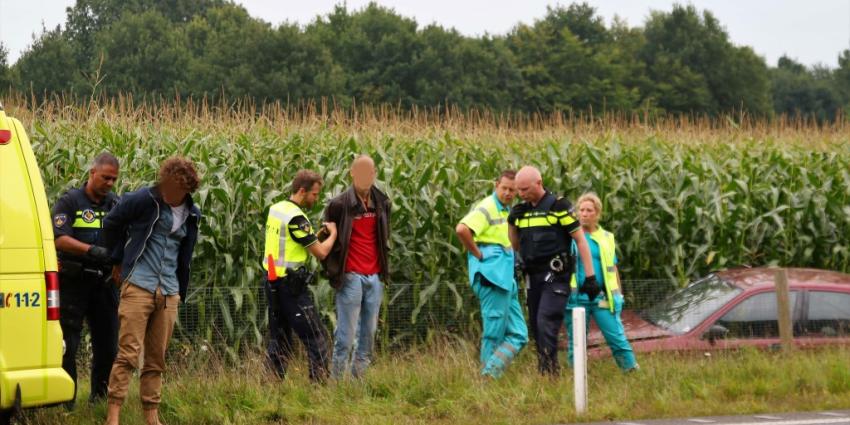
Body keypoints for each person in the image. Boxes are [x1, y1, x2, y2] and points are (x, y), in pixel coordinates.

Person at [101, 157, 202, 425]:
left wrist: (180, 289)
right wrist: (118, 259)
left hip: (169, 290)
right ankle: (113, 416)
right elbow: (111, 224)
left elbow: (185, 254)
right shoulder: (144, 199)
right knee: (128, 354)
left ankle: (152, 416)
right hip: (139, 285)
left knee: (156, 359)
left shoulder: (192, 213)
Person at [508, 166, 597, 376]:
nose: (520, 194)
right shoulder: (522, 210)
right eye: (518, 190)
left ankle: (547, 373)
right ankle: (549, 369)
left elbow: (581, 240)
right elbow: (515, 244)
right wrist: (512, 223)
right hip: (532, 276)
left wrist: (590, 277)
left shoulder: (559, 206)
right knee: (536, 327)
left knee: (546, 320)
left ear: (538, 183)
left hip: (556, 276)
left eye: (525, 189)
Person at [51, 152, 120, 406]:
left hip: (105, 285)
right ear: (92, 173)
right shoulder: (70, 201)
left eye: (114, 179)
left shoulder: (115, 203)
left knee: (108, 346)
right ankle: (66, 402)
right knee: (69, 345)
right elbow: (59, 238)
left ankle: (99, 400)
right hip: (74, 282)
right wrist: (90, 250)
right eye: (105, 177)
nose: (110, 183)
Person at [263, 170, 338, 383]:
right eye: (314, 194)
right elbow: (321, 253)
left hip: (272, 282)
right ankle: (319, 386)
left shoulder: (277, 209)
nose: (316, 199)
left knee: (280, 339)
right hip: (291, 286)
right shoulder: (297, 218)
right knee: (316, 336)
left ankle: (271, 386)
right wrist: (333, 235)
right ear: (302, 191)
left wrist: (316, 236)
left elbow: (291, 242)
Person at [322, 155, 391, 379]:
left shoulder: (382, 202)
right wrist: (334, 270)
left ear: (374, 174)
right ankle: (336, 385)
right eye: (359, 172)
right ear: (352, 173)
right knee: (345, 336)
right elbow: (326, 237)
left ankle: (356, 384)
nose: (364, 177)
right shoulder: (339, 204)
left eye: (368, 172)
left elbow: (383, 236)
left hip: (374, 277)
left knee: (368, 336)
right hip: (350, 276)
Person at [455, 170, 528, 378]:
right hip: (492, 278)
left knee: (519, 334)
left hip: (506, 279)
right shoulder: (488, 206)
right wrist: (478, 254)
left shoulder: (507, 210)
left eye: (512, 190)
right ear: (496, 185)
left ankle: (491, 371)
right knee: (494, 334)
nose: (507, 193)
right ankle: (486, 379)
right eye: (504, 188)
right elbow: (461, 229)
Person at [564, 193, 638, 372]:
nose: (584, 214)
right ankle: (577, 376)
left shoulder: (606, 237)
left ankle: (630, 369)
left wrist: (618, 294)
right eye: (581, 210)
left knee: (616, 337)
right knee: (576, 342)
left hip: (601, 297)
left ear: (597, 213)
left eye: (589, 210)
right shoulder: (569, 236)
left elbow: (612, 268)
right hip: (576, 297)